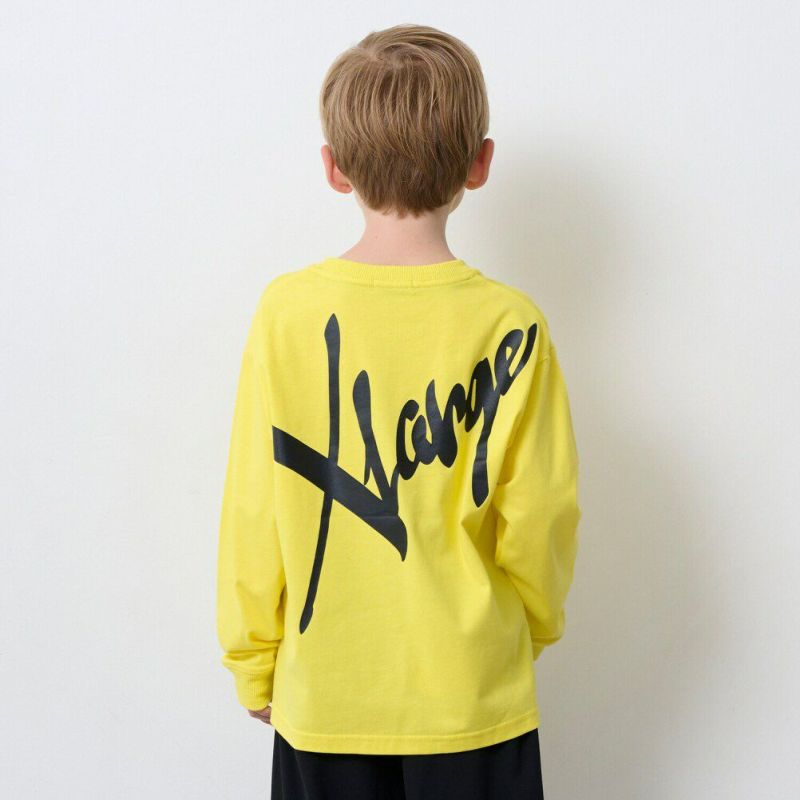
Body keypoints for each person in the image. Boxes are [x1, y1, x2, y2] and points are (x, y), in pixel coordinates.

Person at [216, 23, 582, 800]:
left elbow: (255, 505)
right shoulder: (510, 323)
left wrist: (253, 657)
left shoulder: (287, 313)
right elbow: (541, 511)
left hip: (325, 698)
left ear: (333, 168)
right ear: (480, 163)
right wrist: (526, 631)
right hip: (471, 695)